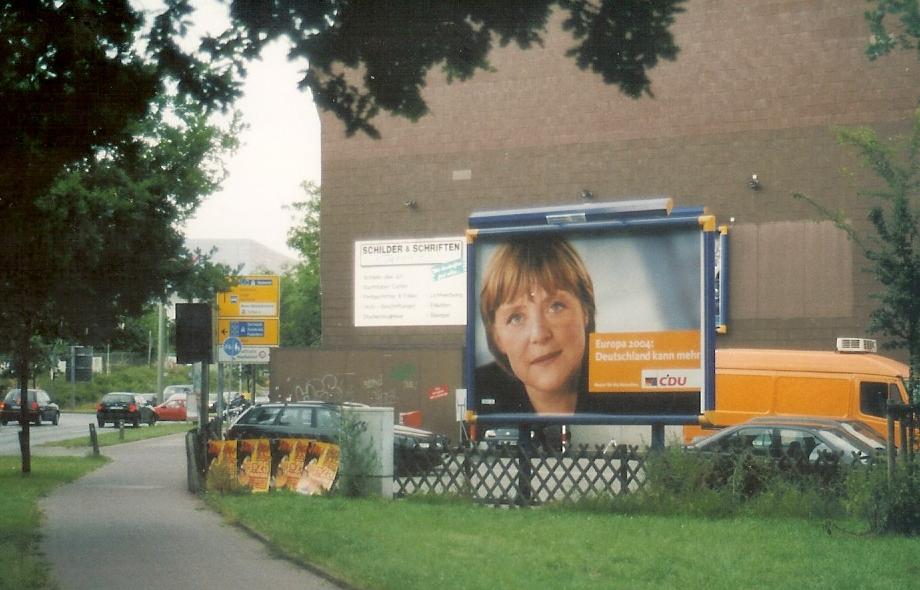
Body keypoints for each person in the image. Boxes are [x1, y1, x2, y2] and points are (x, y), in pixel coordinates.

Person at [476, 234, 596, 414]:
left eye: (556, 307)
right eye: (516, 318)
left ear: (585, 311)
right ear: (497, 337)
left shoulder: (631, 386)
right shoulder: (479, 391)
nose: (539, 335)